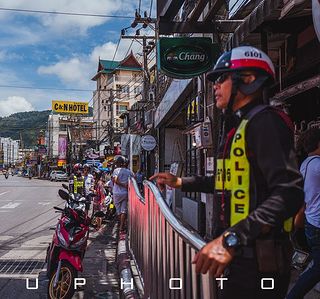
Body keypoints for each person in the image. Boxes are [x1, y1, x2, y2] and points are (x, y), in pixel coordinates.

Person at [150, 46, 304, 299]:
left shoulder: (266, 122)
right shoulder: (240, 126)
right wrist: (180, 181)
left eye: (221, 78)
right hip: (240, 258)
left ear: (249, 80)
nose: (214, 86)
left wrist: (230, 239)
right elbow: (225, 183)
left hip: (258, 260)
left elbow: (289, 194)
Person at [287, 128, 320, 298]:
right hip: (318, 224)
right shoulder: (318, 165)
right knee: (317, 269)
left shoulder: (305, 164)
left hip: (311, 222)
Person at [112, 156, 134, 232]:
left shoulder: (116, 170)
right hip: (125, 193)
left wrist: (122, 185)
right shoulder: (129, 172)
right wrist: (126, 185)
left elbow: (115, 180)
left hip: (117, 193)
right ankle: (122, 226)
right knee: (123, 209)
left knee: (119, 210)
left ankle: (121, 224)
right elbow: (134, 179)